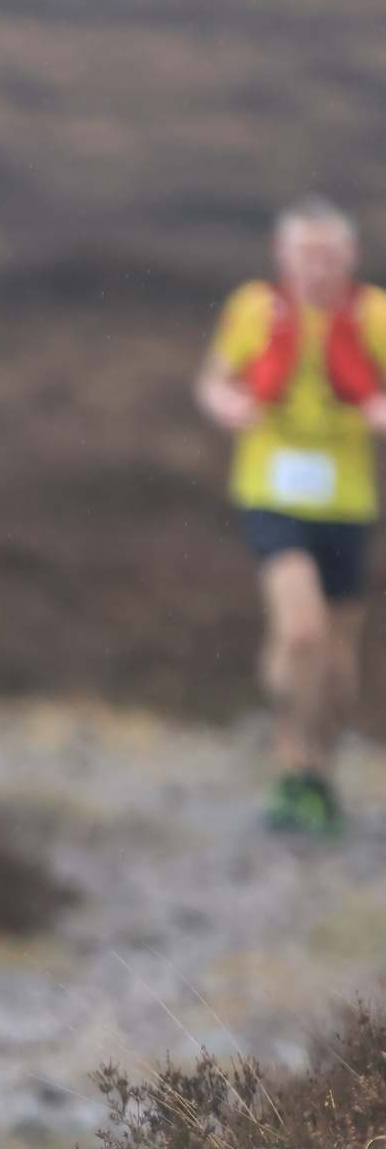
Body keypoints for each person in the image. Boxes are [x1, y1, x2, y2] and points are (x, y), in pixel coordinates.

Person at [195, 194, 386, 836]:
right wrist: (226, 405)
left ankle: (318, 773)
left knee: (338, 662)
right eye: (306, 253)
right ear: (283, 254)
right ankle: (293, 760)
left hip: (347, 503)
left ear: (350, 256)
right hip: (270, 494)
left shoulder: (375, 315)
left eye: (329, 255)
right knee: (302, 632)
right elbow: (215, 380)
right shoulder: (254, 309)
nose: (317, 267)